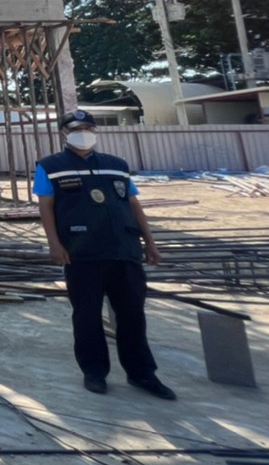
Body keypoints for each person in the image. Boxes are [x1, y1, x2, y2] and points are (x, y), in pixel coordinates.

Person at [37, 110, 175, 400]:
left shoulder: (116, 165)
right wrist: (54, 244)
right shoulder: (51, 166)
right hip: (82, 252)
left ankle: (142, 373)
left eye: (88, 128)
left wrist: (150, 242)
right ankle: (94, 371)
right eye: (77, 128)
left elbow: (133, 205)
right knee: (86, 314)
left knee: (132, 314)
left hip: (124, 248)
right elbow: (46, 207)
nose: (83, 133)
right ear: (64, 133)